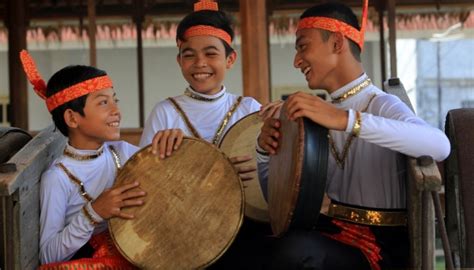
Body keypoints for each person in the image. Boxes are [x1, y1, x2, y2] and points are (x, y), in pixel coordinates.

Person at [256, 1, 451, 269]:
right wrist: (266, 153)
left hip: (378, 247)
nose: (296, 61)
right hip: (331, 233)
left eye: (303, 46)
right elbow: (278, 203)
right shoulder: (318, 114)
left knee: (296, 252)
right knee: (253, 244)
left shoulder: (380, 103)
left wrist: (344, 119)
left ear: (337, 44)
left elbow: (439, 145)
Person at [138, 1, 278, 268]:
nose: (199, 63)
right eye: (189, 55)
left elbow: (272, 173)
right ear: (179, 60)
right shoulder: (166, 112)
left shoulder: (249, 110)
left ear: (230, 58)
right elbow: (146, 184)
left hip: (246, 228)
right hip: (184, 231)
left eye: (210, 53)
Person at [20, 50, 145, 269]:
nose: (117, 110)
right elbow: (49, 256)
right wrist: (93, 212)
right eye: (103, 103)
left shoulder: (123, 152)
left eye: (114, 100)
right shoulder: (58, 178)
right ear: (72, 118)